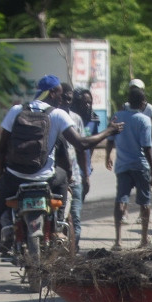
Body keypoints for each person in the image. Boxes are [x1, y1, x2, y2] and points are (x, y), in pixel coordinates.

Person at [0, 75, 119, 289]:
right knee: (63, 178)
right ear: (53, 93)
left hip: (14, 178)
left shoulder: (16, 110)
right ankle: (59, 223)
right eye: (60, 93)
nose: (63, 98)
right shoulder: (58, 115)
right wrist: (109, 131)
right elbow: (81, 144)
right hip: (45, 179)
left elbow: (2, 147)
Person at [106, 86, 152, 248]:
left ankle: (118, 240)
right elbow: (147, 147)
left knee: (121, 200)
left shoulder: (117, 116)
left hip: (123, 166)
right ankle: (143, 239)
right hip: (140, 166)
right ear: (143, 103)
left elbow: (109, 139)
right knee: (145, 202)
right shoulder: (144, 120)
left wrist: (108, 156)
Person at [59, 82, 89, 251]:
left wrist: (86, 175)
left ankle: (73, 251)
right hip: (57, 177)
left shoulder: (76, 119)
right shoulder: (51, 116)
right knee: (58, 218)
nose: (66, 102)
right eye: (63, 98)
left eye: (69, 99)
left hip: (75, 177)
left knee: (75, 217)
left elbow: (82, 148)